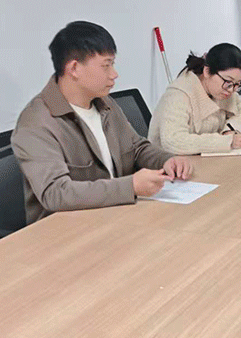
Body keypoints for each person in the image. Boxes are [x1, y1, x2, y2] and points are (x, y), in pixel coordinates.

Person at [12, 21, 193, 223]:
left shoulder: (104, 103)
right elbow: (55, 193)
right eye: (106, 66)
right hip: (68, 229)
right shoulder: (37, 122)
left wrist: (166, 160)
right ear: (74, 68)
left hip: (115, 215)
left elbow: (136, 148)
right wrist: (130, 186)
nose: (114, 74)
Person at [149, 43, 241, 154]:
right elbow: (172, 141)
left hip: (202, 158)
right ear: (207, 71)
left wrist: (230, 130)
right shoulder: (178, 95)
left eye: (237, 84)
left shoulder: (224, 90)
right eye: (228, 82)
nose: (231, 90)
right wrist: (225, 142)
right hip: (168, 161)